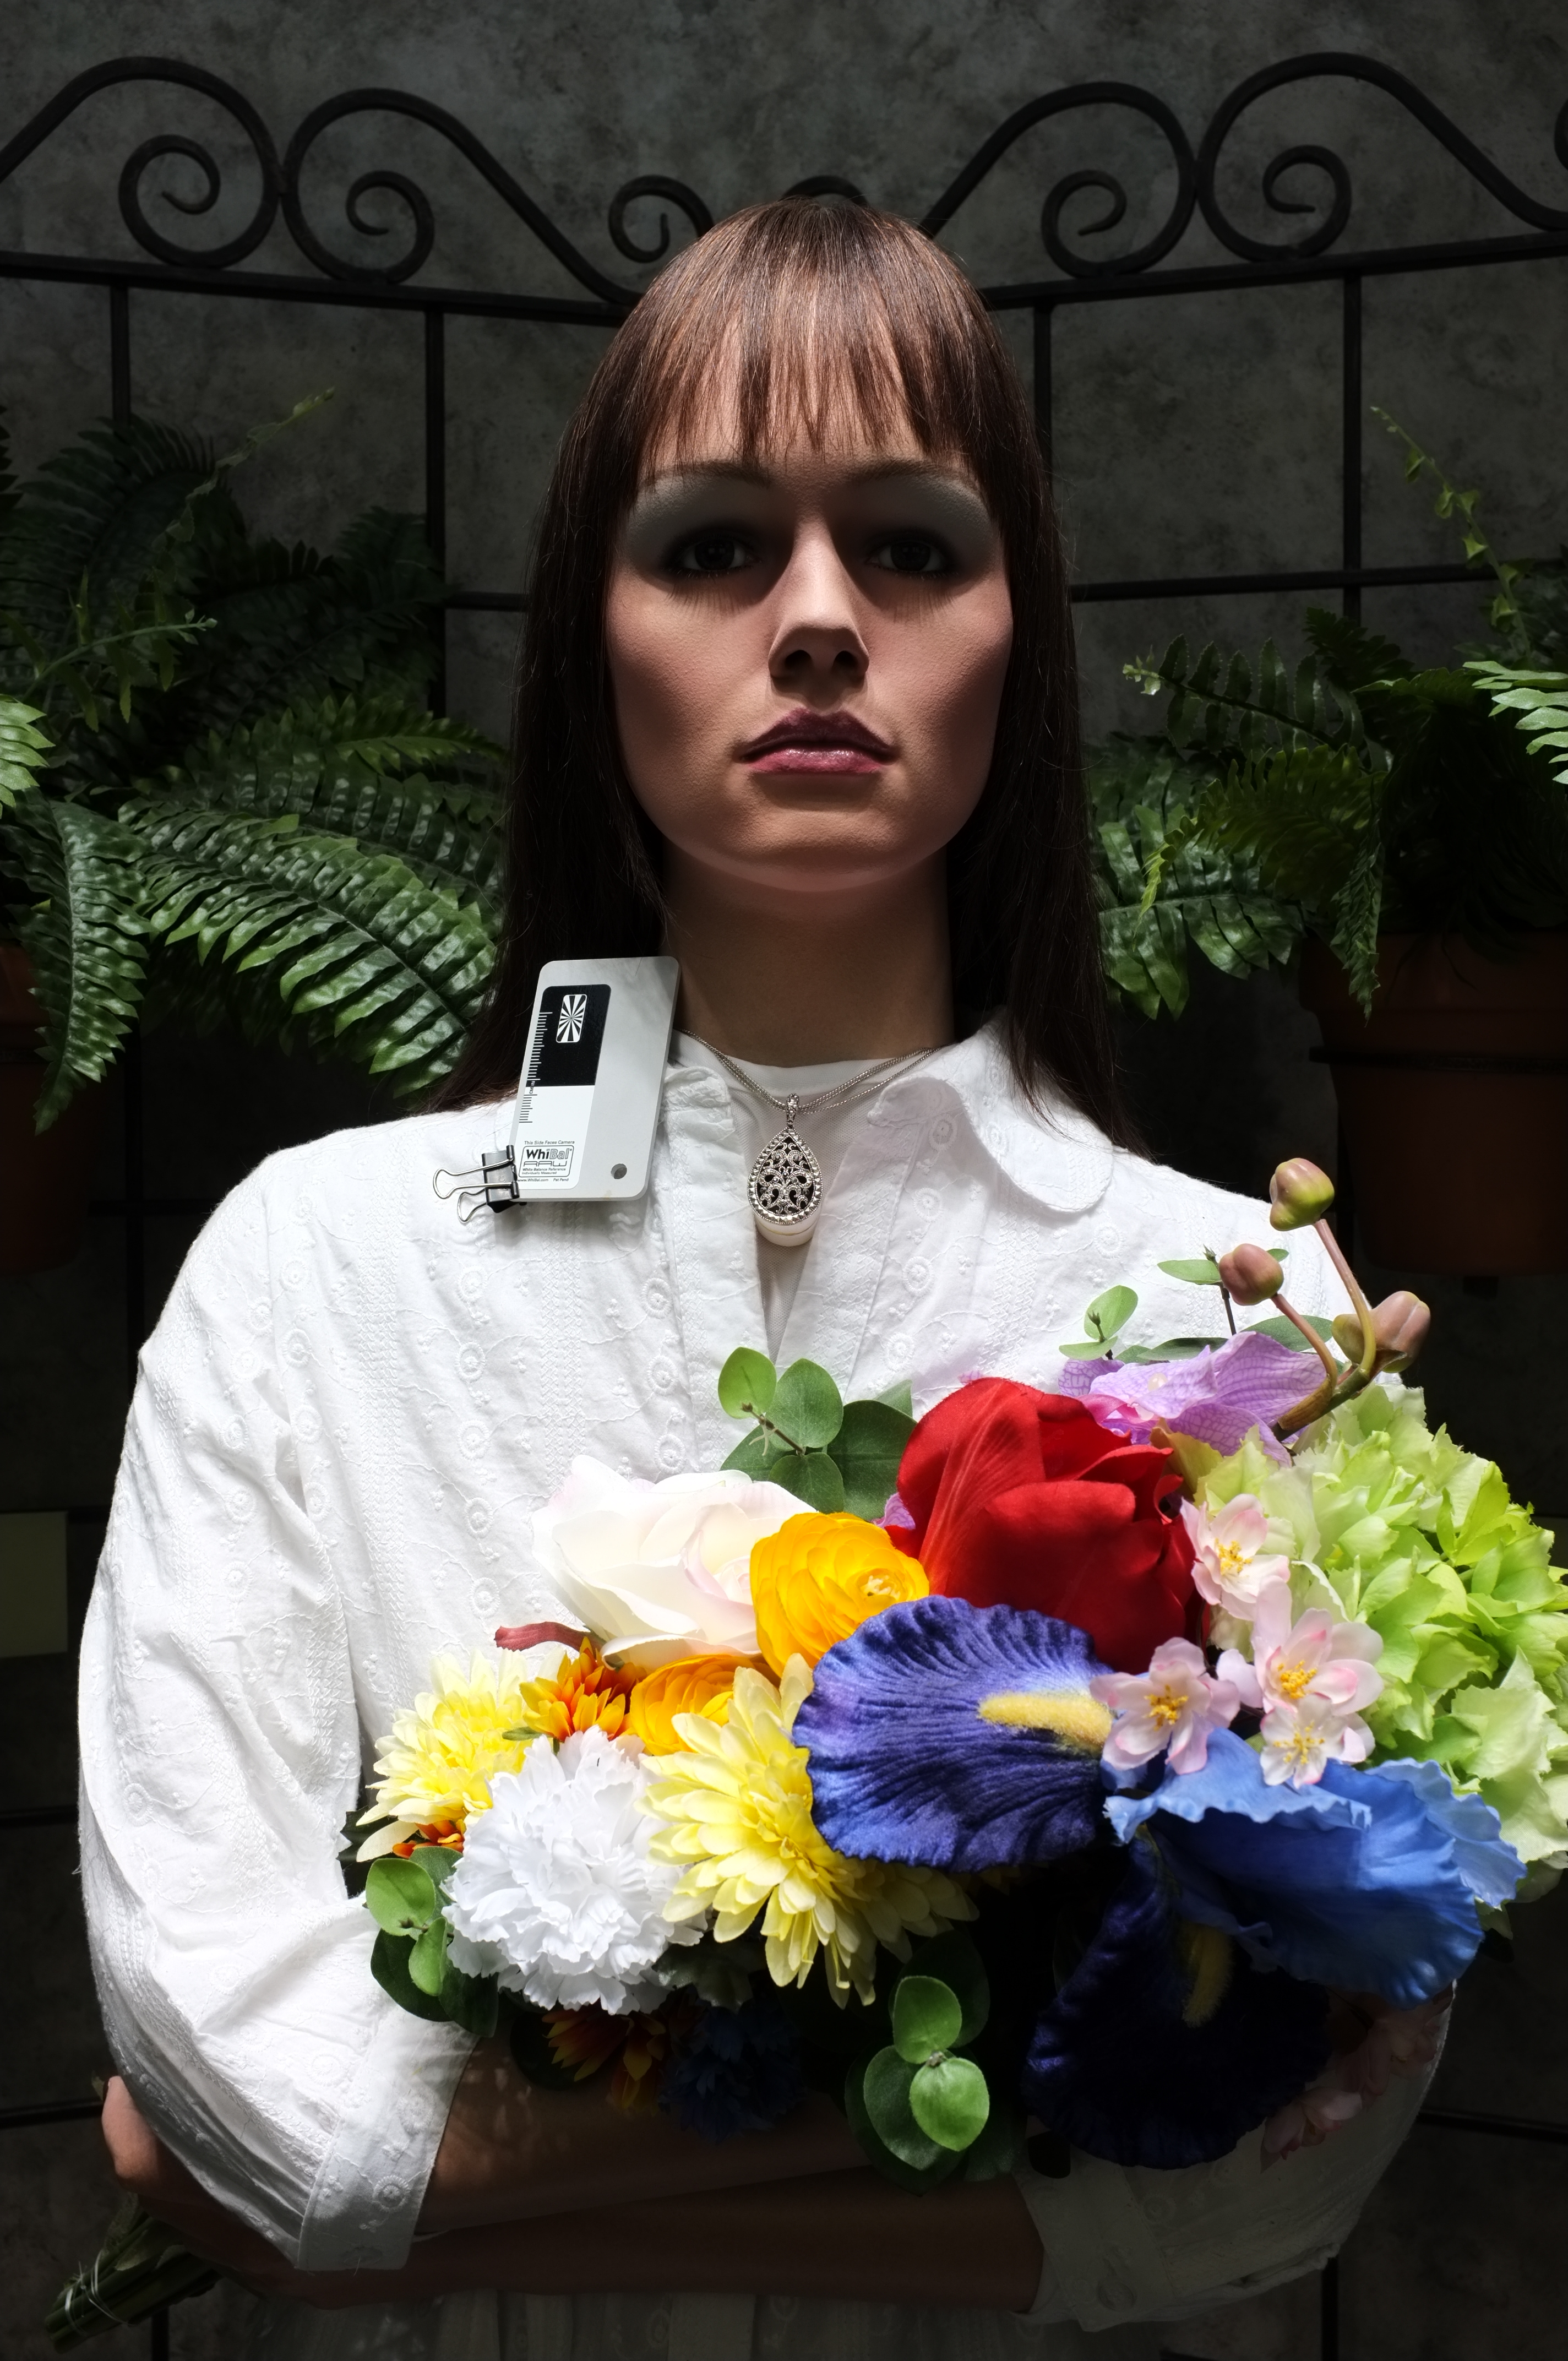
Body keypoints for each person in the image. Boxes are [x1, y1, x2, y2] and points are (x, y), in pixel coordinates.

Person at [83, 198, 1431, 2360]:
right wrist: (1055, 2124)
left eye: (908, 546)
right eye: (714, 545)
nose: (815, 619)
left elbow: (1291, 2181)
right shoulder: (313, 1272)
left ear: (1020, 630)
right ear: (587, 634)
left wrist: (368, 2213)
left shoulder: (1232, 1312)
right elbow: (233, 2061)